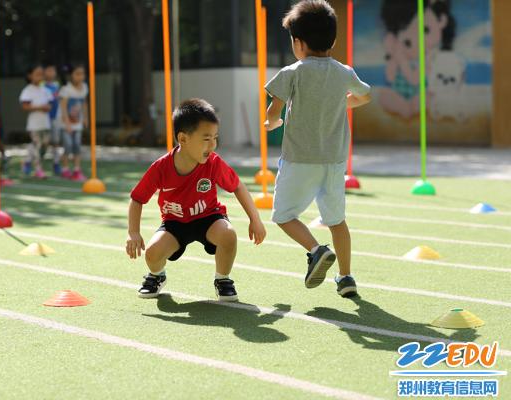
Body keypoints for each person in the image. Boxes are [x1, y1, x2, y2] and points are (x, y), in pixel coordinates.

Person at [264, 0, 371, 298]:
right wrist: (343, 102)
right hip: (335, 162)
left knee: (283, 215)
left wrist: (272, 123)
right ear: (333, 40)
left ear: (298, 43)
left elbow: (275, 110)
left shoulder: (292, 72)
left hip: (299, 159)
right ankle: (346, 277)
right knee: (337, 220)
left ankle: (315, 250)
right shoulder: (344, 72)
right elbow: (365, 96)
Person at [126, 98, 266, 301]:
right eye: (206, 138)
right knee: (152, 254)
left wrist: (256, 219)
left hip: (208, 218)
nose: (213, 145)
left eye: (215, 138)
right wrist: (133, 232)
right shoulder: (161, 168)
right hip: (175, 223)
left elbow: (237, 186)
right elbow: (137, 199)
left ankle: (223, 279)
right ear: (182, 139)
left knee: (228, 235)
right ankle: (157, 276)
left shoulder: (214, 163)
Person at [20, 64, 53, 178]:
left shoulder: (46, 90)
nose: (40, 76)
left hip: (45, 123)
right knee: (37, 145)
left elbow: (50, 105)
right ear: (30, 76)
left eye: (41, 74)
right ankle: (38, 169)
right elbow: (25, 106)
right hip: (34, 125)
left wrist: (48, 107)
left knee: (44, 145)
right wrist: (39, 107)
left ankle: (27, 160)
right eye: (37, 74)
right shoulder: (27, 90)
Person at [58, 64, 88, 181]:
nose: (81, 77)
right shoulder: (66, 89)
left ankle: (76, 169)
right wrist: (67, 123)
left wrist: (86, 118)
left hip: (77, 123)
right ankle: (65, 169)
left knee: (77, 146)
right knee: (68, 146)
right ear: (71, 75)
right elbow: (63, 107)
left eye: (82, 74)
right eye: (77, 74)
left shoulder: (84, 87)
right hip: (66, 124)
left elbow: (84, 103)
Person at [43, 63, 62, 175]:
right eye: (48, 70)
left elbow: (59, 101)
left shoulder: (56, 85)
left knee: (55, 141)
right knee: (43, 142)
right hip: (44, 118)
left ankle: (56, 162)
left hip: (55, 117)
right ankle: (35, 162)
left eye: (53, 71)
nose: (51, 73)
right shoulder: (41, 85)